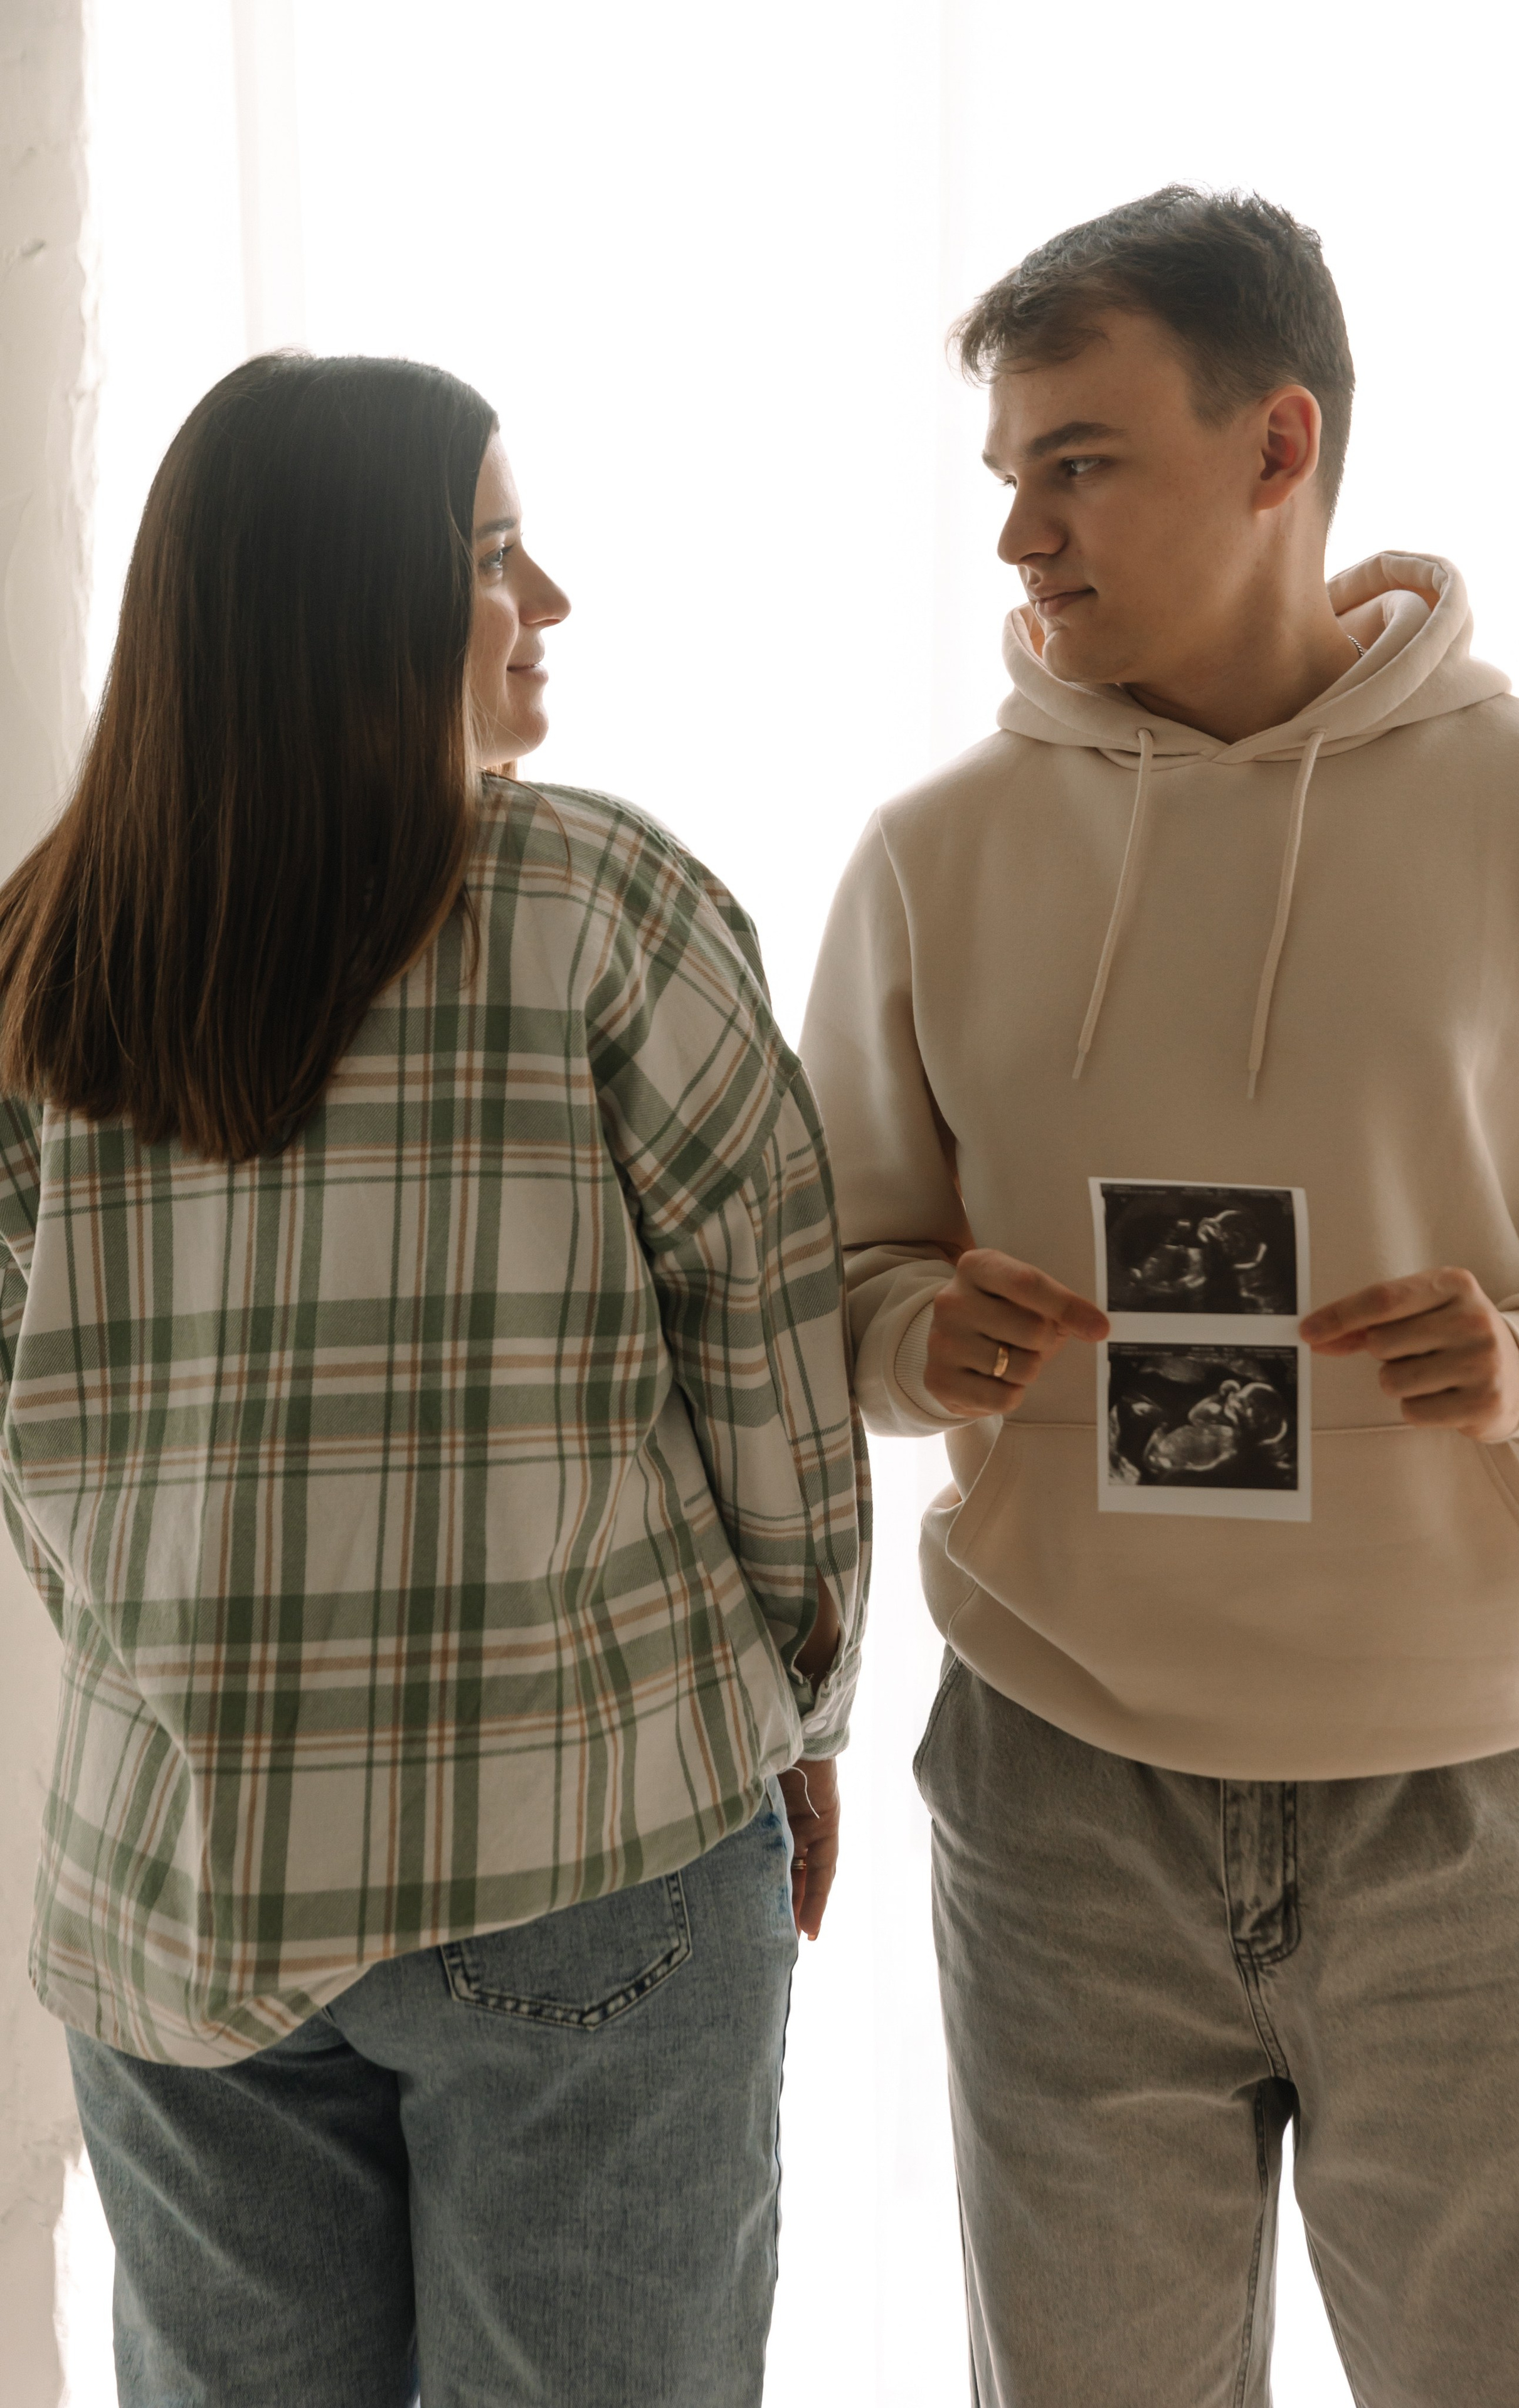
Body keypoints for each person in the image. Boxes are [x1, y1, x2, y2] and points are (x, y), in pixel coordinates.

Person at [800, 186, 1519, 2407]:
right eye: (1007, 475)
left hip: (1470, 1789)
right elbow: (832, 1281)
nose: (1020, 536)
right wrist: (911, 1338)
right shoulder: (932, 854)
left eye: (1079, 463)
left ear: (1278, 445)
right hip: (1064, 1791)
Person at [0, 352, 867, 2407]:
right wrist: (807, 1710)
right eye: (489, 556)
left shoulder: (43, 951)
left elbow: (36, 1454)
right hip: (592, 1840)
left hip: (174, 1879)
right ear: (342, 605)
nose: (546, 599)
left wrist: (173, 1670)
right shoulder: (602, 906)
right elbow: (771, 1369)